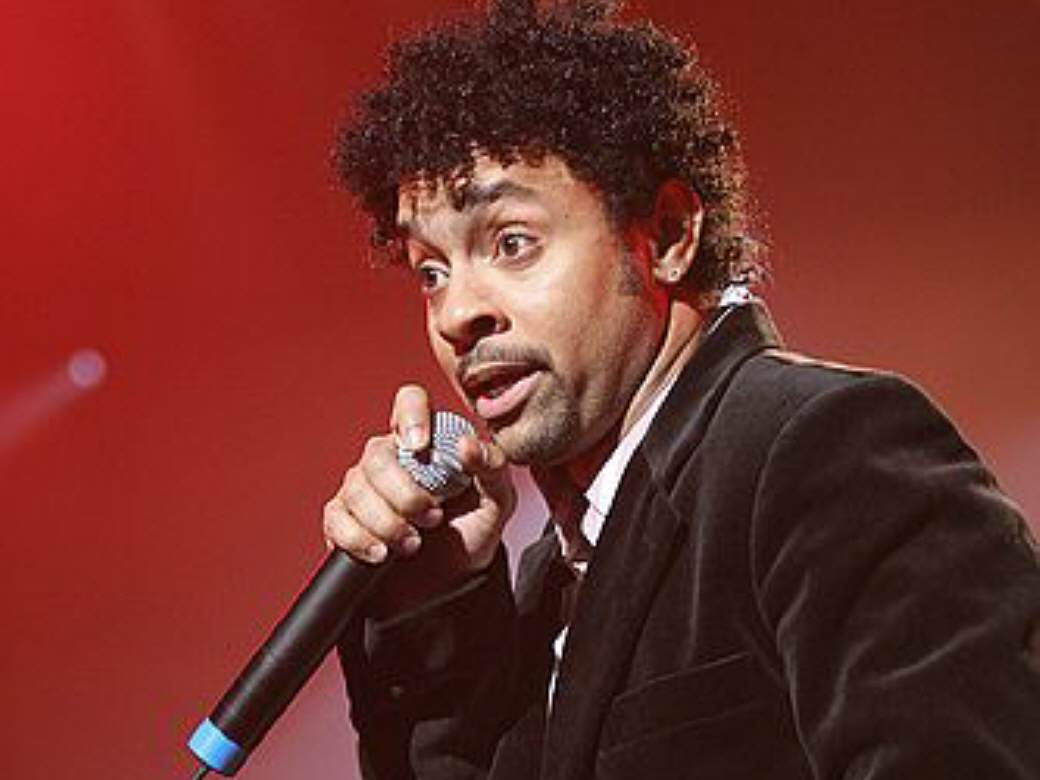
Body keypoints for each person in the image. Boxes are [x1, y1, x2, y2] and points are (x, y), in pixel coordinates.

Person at [323, 1, 1040, 778]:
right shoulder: (552, 576)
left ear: (666, 234)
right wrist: (437, 602)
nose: (457, 312)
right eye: (430, 271)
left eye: (513, 242)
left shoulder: (824, 449)